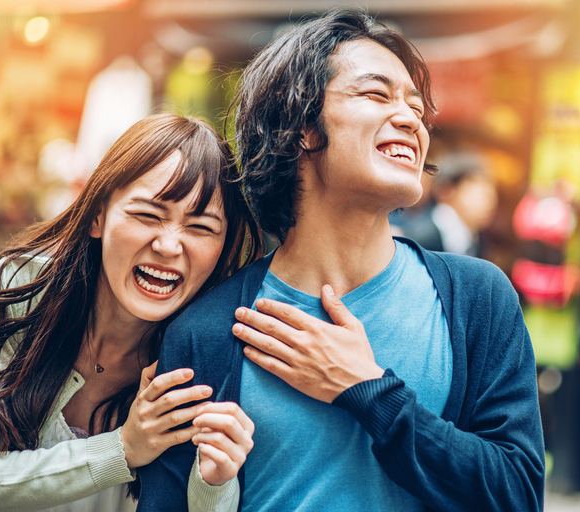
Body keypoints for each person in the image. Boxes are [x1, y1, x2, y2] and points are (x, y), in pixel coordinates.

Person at [138, 11, 544, 511]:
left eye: (416, 108)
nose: (410, 119)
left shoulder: (477, 297)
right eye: (376, 94)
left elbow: (519, 494)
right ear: (300, 128)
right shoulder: (208, 331)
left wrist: (369, 391)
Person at [0, 114, 263, 512]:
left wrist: (216, 482)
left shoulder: (208, 346)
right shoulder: (20, 293)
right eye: (147, 215)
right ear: (98, 216)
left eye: (199, 227)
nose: (168, 245)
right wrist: (122, 448)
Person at [430, 151, 498, 257]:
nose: (490, 197)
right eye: (477, 186)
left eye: (490, 187)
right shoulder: (419, 240)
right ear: (446, 190)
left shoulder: (479, 242)